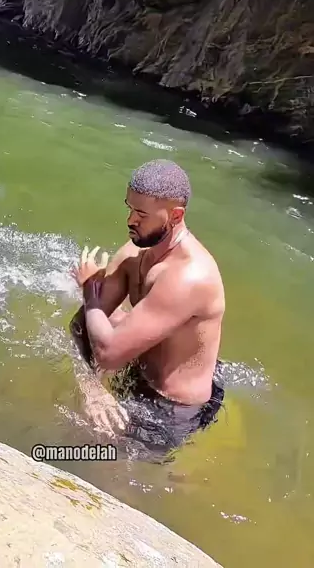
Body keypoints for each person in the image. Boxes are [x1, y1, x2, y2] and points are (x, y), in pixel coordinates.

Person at [69, 159, 225, 458]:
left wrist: (90, 289)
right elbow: (81, 326)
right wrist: (92, 387)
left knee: (105, 465)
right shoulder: (133, 253)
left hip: (172, 407)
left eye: (142, 214)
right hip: (139, 373)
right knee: (79, 438)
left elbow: (108, 354)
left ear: (175, 215)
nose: (131, 220)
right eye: (129, 208)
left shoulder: (188, 277)